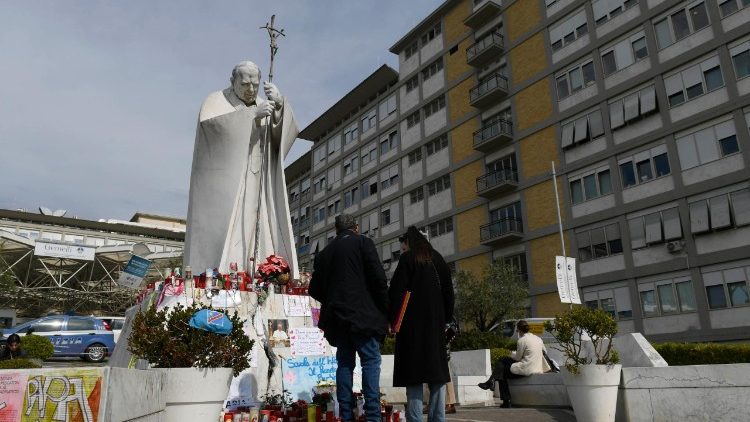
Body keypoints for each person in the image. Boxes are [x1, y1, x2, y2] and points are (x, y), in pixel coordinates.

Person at [185, 60, 299, 277]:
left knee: (258, 228)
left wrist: (279, 108)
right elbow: (211, 130)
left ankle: (259, 272)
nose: (251, 89)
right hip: (229, 182)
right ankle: (222, 273)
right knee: (228, 231)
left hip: (258, 182)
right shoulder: (215, 101)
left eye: (255, 84)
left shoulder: (264, 103)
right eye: (245, 84)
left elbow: (279, 142)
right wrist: (251, 117)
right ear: (233, 81)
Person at [309, 214, 388, 422]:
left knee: (344, 364)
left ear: (336, 231)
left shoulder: (324, 254)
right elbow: (379, 279)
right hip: (363, 316)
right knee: (370, 361)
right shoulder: (363, 242)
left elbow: (314, 289)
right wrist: (386, 310)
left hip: (337, 319)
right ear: (356, 227)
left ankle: (345, 415)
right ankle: (372, 416)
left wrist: (333, 298)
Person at [389, 226, 454, 422]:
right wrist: (446, 319)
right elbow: (449, 292)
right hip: (436, 325)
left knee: (413, 374)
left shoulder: (408, 260)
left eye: (403, 246)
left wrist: (392, 321)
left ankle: (415, 418)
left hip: (411, 327)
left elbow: (396, 293)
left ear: (408, 243)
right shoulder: (438, 259)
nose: (402, 250)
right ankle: (438, 418)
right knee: (437, 375)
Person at [477, 320, 551, 408]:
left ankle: (500, 393)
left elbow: (517, 358)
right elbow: (544, 352)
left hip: (526, 369)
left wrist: (510, 354)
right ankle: (491, 382)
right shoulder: (538, 339)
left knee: (502, 367)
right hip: (537, 368)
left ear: (519, 330)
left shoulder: (522, 340)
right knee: (502, 366)